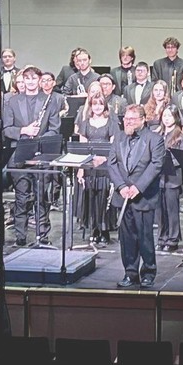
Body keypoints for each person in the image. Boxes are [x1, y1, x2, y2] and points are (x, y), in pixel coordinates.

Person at [2, 66, 63, 247]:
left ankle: (42, 235)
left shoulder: (49, 101)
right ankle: (20, 236)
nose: (30, 82)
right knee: (21, 198)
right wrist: (24, 131)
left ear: (39, 80)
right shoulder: (12, 102)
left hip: (40, 155)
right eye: (26, 78)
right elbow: (7, 129)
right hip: (19, 155)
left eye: (33, 78)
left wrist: (39, 137)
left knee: (41, 197)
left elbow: (54, 129)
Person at [107, 105, 165, 288]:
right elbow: (112, 163)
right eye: (126, 119)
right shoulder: (119, 137)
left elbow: (156, 165)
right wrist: (121, 186)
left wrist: (138, 187)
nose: (127, 122)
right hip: (123, 195)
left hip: (143, 196)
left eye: (132, 119)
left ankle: (148, 271)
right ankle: (130, 273)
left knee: (144, 237)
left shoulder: (155, 139)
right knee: (127, 238)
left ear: (142, 120)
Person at [76, 94, 118, 249]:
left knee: (104, 196)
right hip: (90, 166)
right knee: (92, 198)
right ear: (91, 106)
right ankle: (94, 230)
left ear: (105, 106)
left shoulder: (112, 123)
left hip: (106, 166)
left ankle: (105, 230)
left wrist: (104, 159)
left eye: (100, 104)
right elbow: (82, 148)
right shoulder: (85, 124)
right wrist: (81, 169)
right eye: (94, 104)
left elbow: (114, 147)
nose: (97, 107)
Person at [157, 105, 183, 252]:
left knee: (171, 210)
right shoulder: (158, 134)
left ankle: (173, 239)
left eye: (169, 116)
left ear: (175, 117)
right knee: (160, 210)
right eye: (164, 116)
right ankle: (162, 237)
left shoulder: (180, 136)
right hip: (159, 178)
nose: (166, 118)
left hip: (173, 178)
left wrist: (168, 162)